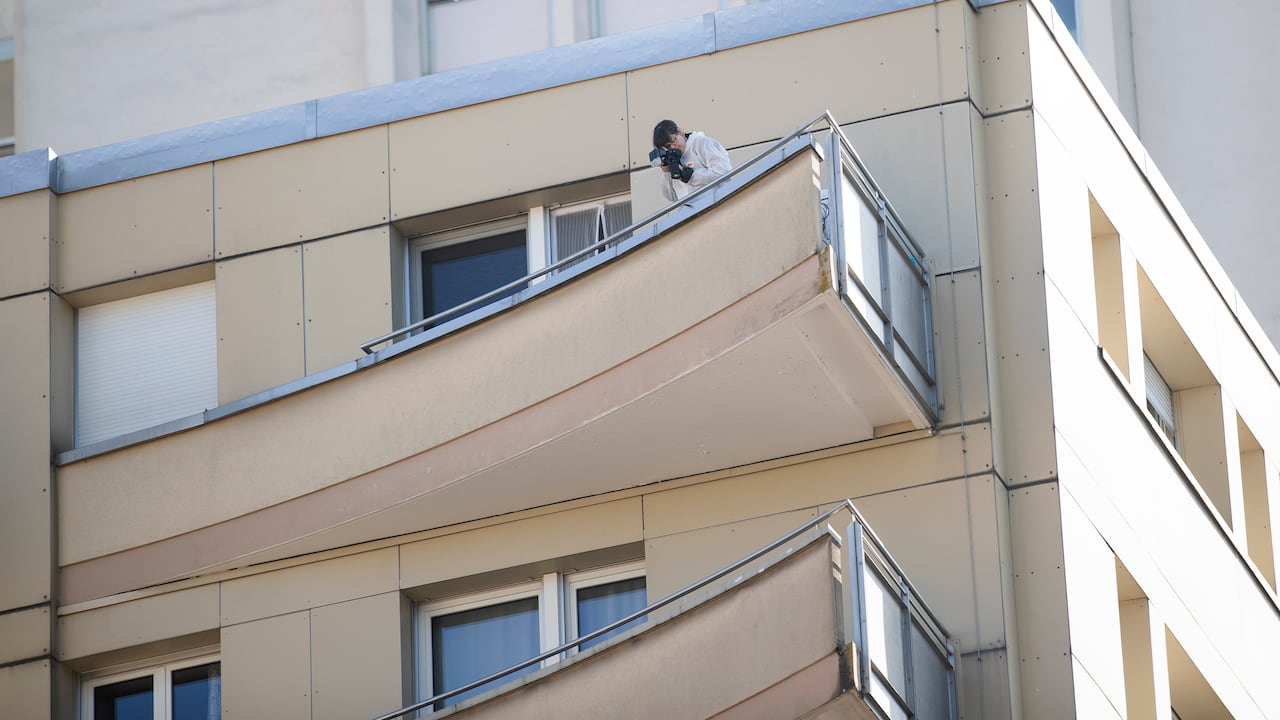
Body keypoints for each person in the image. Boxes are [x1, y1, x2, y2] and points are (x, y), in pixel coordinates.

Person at [652, 119, 731, 202]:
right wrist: (666, 173)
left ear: (680, 132)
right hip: (688, 211)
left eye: (673, 141)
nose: (673, 147)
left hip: (714, 204)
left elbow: (723, 173)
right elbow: (672, 197)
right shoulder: (671, 159)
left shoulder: (702, 143)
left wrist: (691, 175)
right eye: (668, 146)